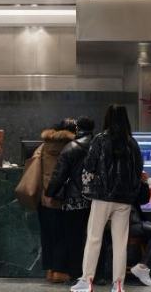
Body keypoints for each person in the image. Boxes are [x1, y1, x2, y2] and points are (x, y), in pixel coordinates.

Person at [71, 104, 143, 292]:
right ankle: (118, 284)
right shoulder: (132, 143)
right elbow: (138, 173)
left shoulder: (100, 140)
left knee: (94, 238)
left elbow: (89, 165)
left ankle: (87, 281)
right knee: (120, 242)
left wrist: (90, 188)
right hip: (124, 201)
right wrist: (131, 194)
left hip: (101, 196)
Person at [46, 116, 95, 280]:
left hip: (74, 200)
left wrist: (50, 194)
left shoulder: (70, 147)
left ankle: (76, 273)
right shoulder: (99, 145)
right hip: (97, 200)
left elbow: (59, 174)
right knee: (95, 238)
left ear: (78, 129)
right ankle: (97, 274)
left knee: (73, 238)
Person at [36, 119, 76, 283]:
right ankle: (60, 271)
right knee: (62, 235)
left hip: (44, 197)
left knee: (47, 235)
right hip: (60, 197)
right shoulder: (69, 147)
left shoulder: (43, 146)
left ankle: (50, 270)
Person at [127, 172, 151, 286]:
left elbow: (143, 200)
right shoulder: (125, 176)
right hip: (129, 222)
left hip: (133, 221)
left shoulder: (132, 176)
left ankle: (145, 267)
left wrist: (143, 183)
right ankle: (143, 266)